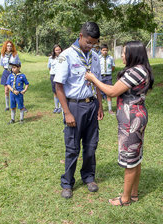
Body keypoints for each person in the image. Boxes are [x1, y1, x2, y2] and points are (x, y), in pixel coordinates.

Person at [85, 41, 154, 206]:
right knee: (135, 156)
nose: (122, 56)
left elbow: (112, 92)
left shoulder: (136, 71)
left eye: (124, 53)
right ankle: (134, 194)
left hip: (131, 120)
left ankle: (125, 199)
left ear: (133, 54)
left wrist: (93, 78)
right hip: (135, 116)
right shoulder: (141, 69)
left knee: (130, 159)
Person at [54, 22, 104, 199]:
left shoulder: (95, 57)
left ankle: (89, 176)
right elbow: (58, 86)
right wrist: (67, 112)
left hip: (91, 106)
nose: (91, 46)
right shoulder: (66, 56)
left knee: (91, 145)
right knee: (72, 147)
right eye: (89, 42)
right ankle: (67, 182)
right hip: (74, 106)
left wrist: (100, 104)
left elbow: (97, 83)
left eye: (94, 43)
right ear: (81, 36)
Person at [0, 40, 21, 111]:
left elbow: (19, 64)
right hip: (6, 72)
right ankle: (7, 106)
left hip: (13, 73)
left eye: (10, 46)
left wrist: (16, 71)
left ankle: (17, 104)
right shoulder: (3, 55)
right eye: (8, 46)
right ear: (5, 46)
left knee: (15, 88)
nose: (9, 47)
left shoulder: (15, 55)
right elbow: (2, 65)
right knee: (6, 90)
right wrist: (7, 70)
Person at [99, 44, 115, 114]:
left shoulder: (110, 58)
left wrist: (109, 71)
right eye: (103, 50)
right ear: (101, 51)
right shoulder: (98, 58)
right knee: (99, 93)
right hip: (101, 76)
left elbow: (113, 66)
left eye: (106, 50)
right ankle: (100, 108)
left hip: (108, 76)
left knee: (109, 93)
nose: (105, 52)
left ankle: (110, 109)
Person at [48, 44, 62, 113]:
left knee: (60, 91)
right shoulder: (51, 58)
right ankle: (56, 107)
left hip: (60, 75)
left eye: (59, 49)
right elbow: (49, 67)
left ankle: (60, 107)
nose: (58, 51)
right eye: (56, 50)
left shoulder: (63, 57)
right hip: (53, 75)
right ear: (54, 51)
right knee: (55, 92)